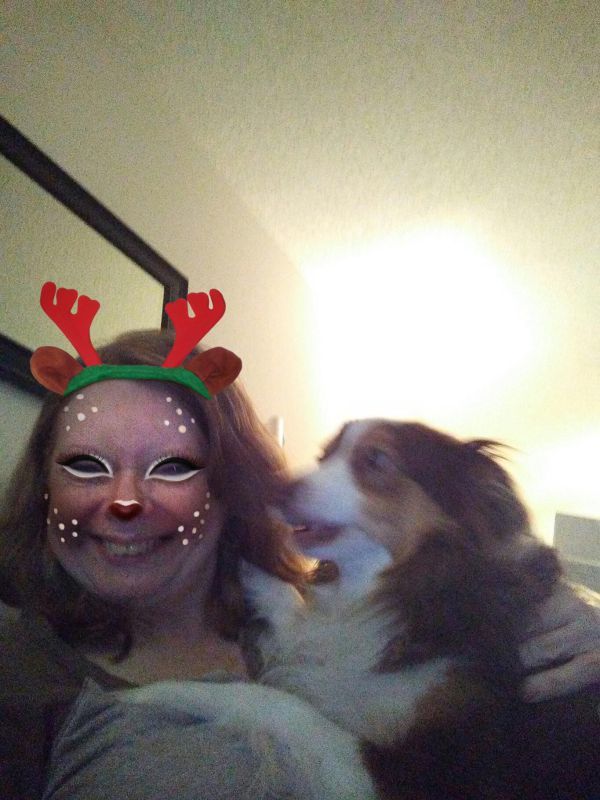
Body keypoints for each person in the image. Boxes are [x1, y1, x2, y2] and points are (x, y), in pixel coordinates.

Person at [1, 329, 599, 800]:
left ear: (230, 485)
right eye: (86, 464)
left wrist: (576, 620)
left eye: (173, 465)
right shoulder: (20, 673)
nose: (124, 503)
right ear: (44, 483)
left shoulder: (309, 615)